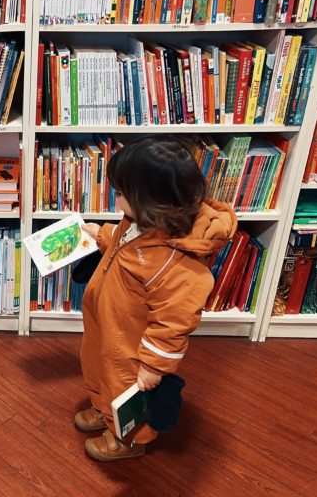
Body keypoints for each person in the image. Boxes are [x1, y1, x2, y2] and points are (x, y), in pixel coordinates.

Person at [76, 137, 237, 461]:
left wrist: (153, 366)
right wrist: (101, 234)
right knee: (96, 368)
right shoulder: (139, 222)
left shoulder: (177, 263)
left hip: (133, 347)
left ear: (154, 203)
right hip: (106, 325)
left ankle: (128, 439)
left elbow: (174, 323)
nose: (116, 199)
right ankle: (102, 407)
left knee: (125, 387)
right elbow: (126, 245)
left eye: (121, 194)